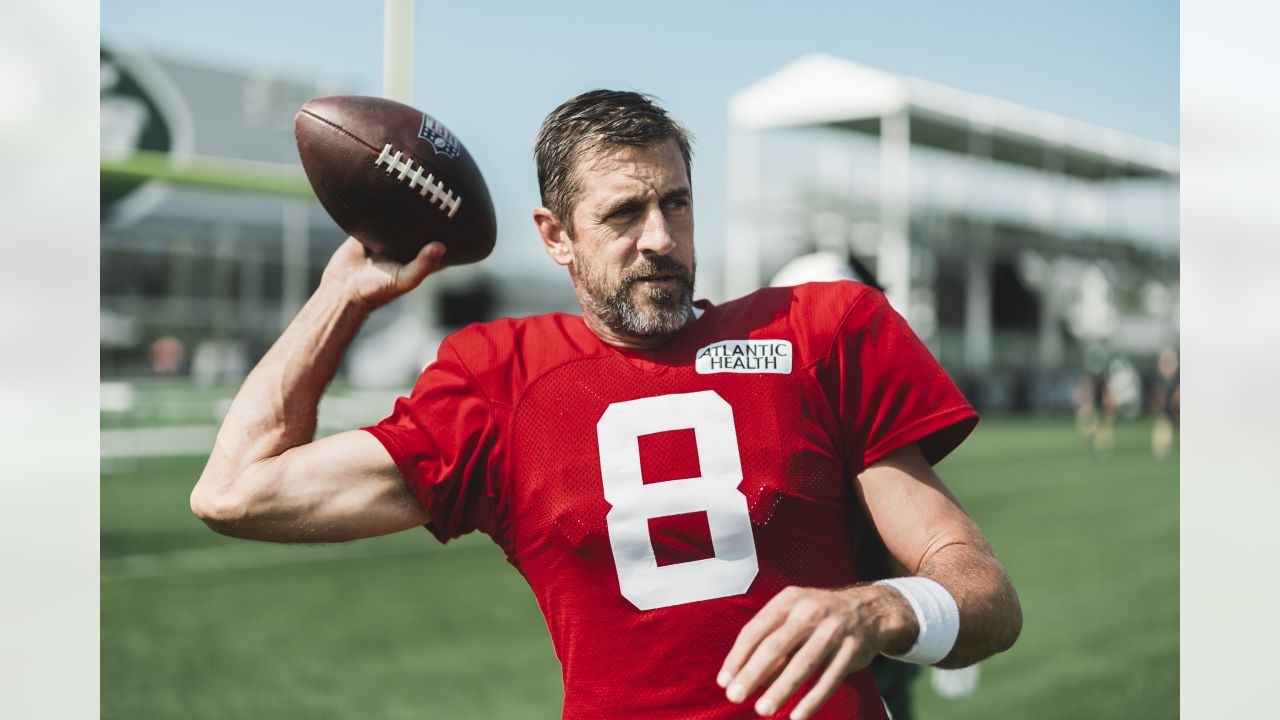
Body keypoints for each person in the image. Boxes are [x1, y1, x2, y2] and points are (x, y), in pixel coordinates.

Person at [191, 90, 1021, 720]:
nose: (660, 236)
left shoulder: (824, 330)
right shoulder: (499, 382)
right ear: (556, 236)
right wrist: (344, 297)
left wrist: (878, 607)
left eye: (677, 203)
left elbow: (986, 596)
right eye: (624, 213)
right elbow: (234, 491)